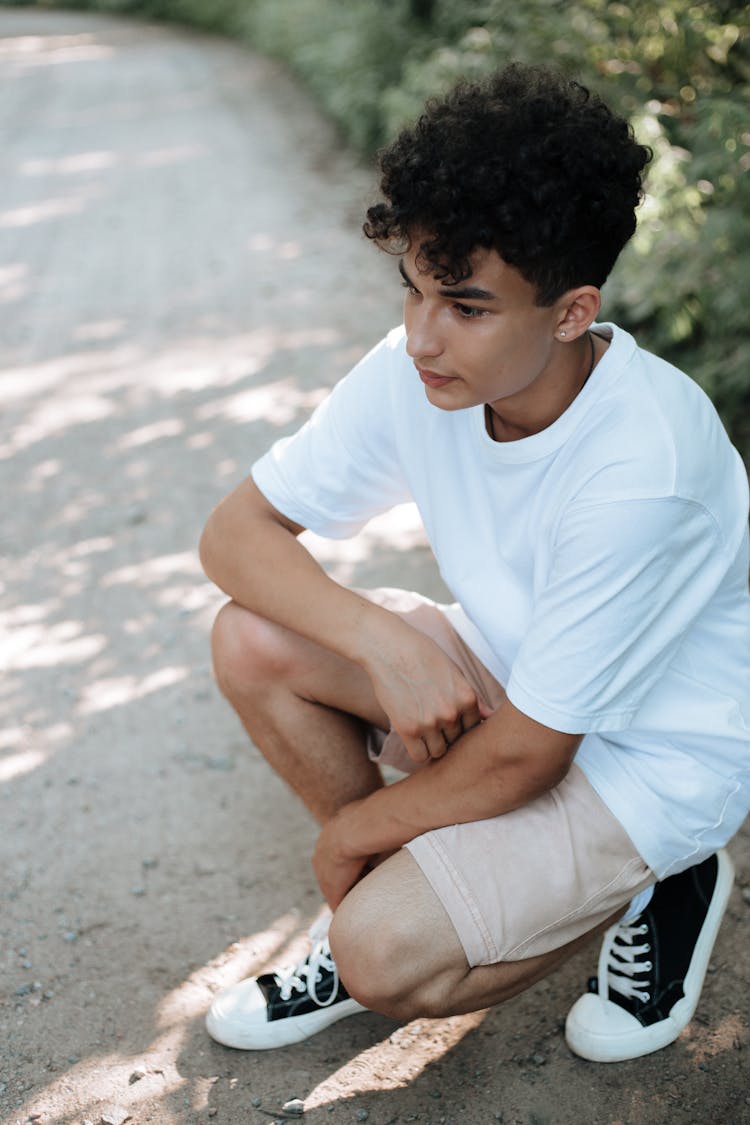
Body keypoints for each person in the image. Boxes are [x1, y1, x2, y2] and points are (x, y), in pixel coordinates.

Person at [199, 63, 750, 1062]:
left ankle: (665, 878)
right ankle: (432, 879)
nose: (419, 337)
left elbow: (534, 756)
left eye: (465, 306)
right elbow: (233, 538)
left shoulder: (644, 468)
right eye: (412, 289)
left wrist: (352, 838)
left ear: (573, 313)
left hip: (646, 758)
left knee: (379, 959)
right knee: (251, 637)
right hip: (523, 678)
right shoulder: (421, 367)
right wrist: (379, 637)